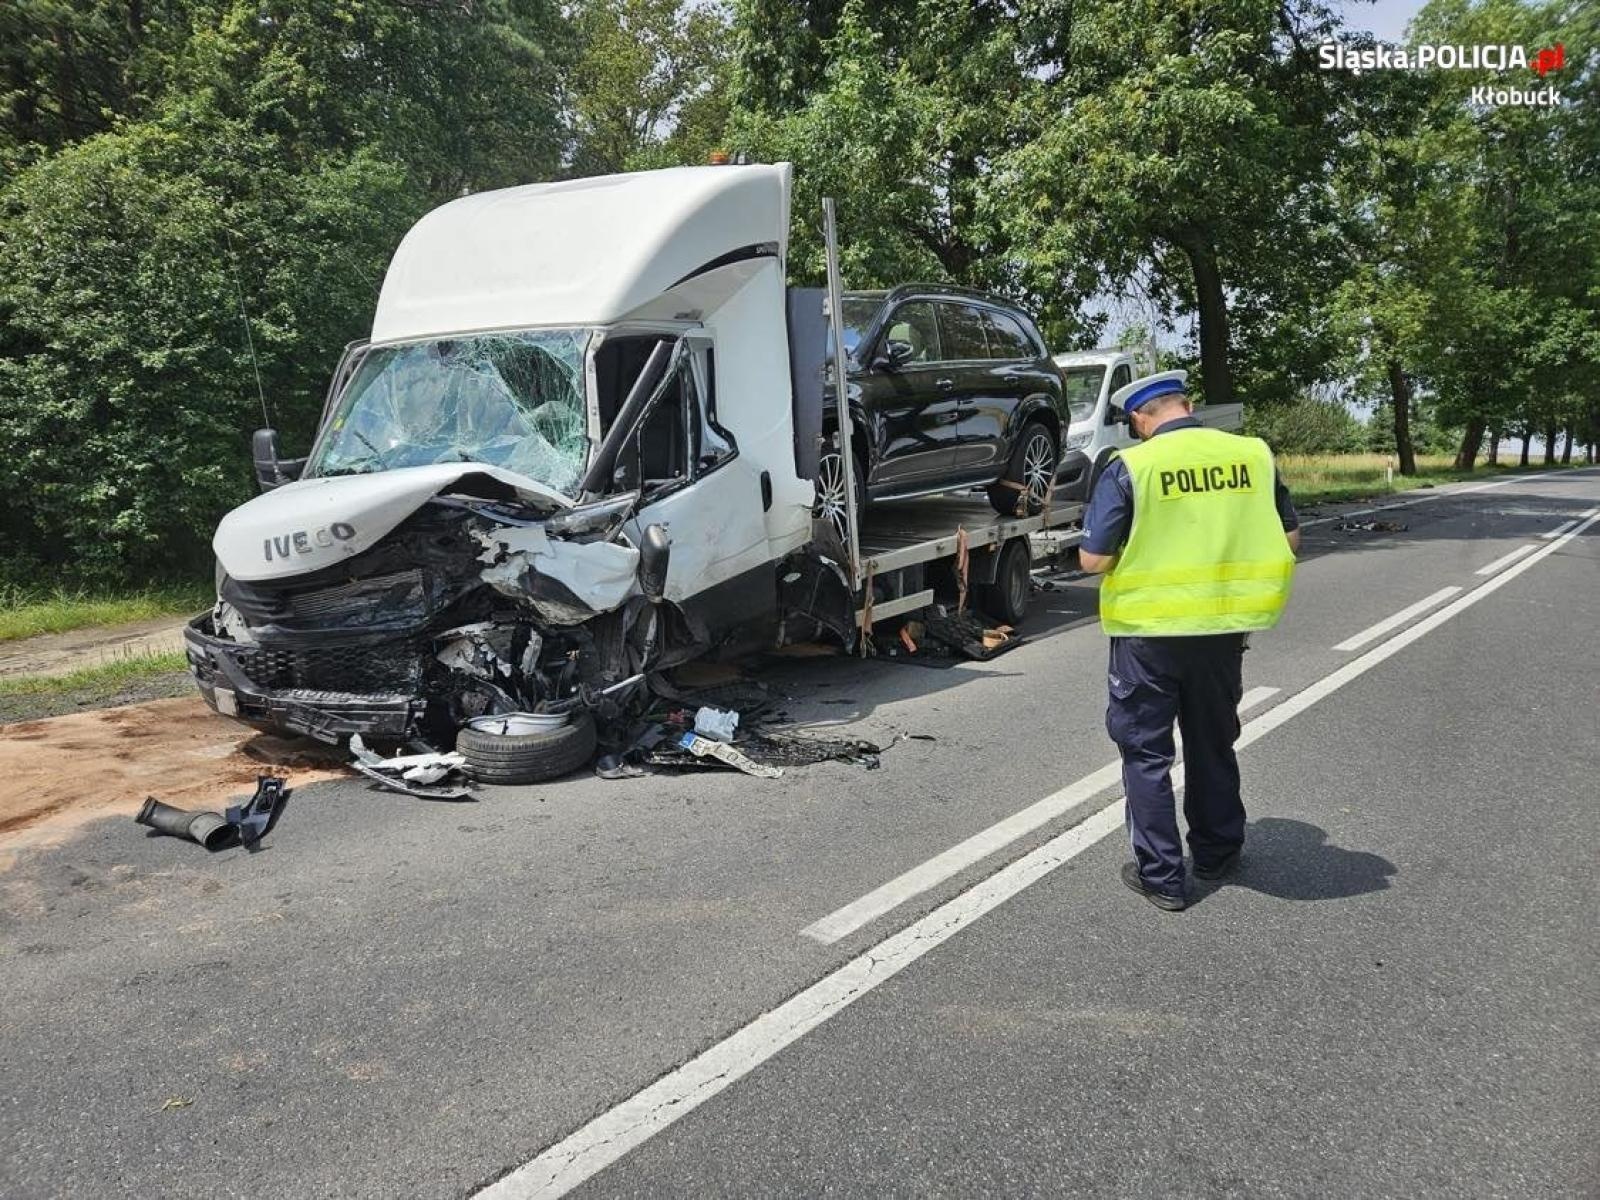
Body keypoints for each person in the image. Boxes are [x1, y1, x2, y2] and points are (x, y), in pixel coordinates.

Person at [1077, 371, 1300, 911]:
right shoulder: (1252, 455)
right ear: (1188, 404)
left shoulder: (1132, 465)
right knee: (1212, 740)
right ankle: (1218, 852)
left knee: (1146, 752)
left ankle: (1163, 878)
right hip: (1222, 628)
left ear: (1138, 419)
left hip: (1149, 634)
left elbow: (1093, 559)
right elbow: (1290, 537)